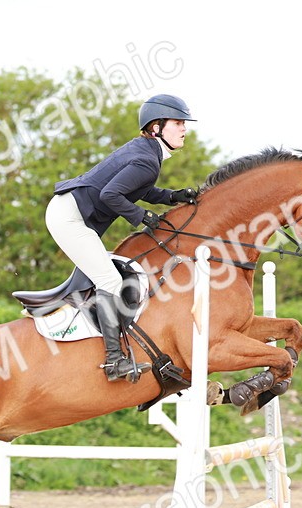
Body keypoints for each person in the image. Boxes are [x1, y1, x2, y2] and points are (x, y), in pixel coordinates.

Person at [47, 94, 199, 382]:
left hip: (70, 213)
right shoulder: (146, 158)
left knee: (105, 277)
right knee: (110, 281)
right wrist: (142, 217)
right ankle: (114, 361)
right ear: (156, 127)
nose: (184, 129)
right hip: (68, 218)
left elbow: (138, 189)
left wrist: (172, 197)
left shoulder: (146, 153)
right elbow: (111, 195)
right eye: (178, 123)